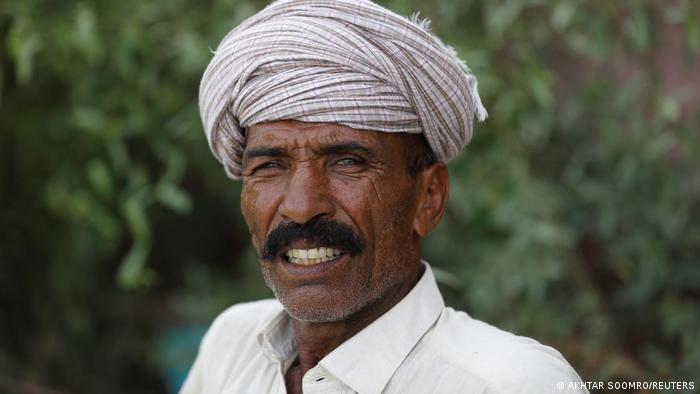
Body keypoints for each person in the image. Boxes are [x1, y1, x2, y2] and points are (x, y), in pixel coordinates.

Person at [182, 0, 588, 393]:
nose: (301, 207)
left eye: (347, 162)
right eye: (269, 166)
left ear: (428, 198)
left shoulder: (508, 384)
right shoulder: (233, 346)